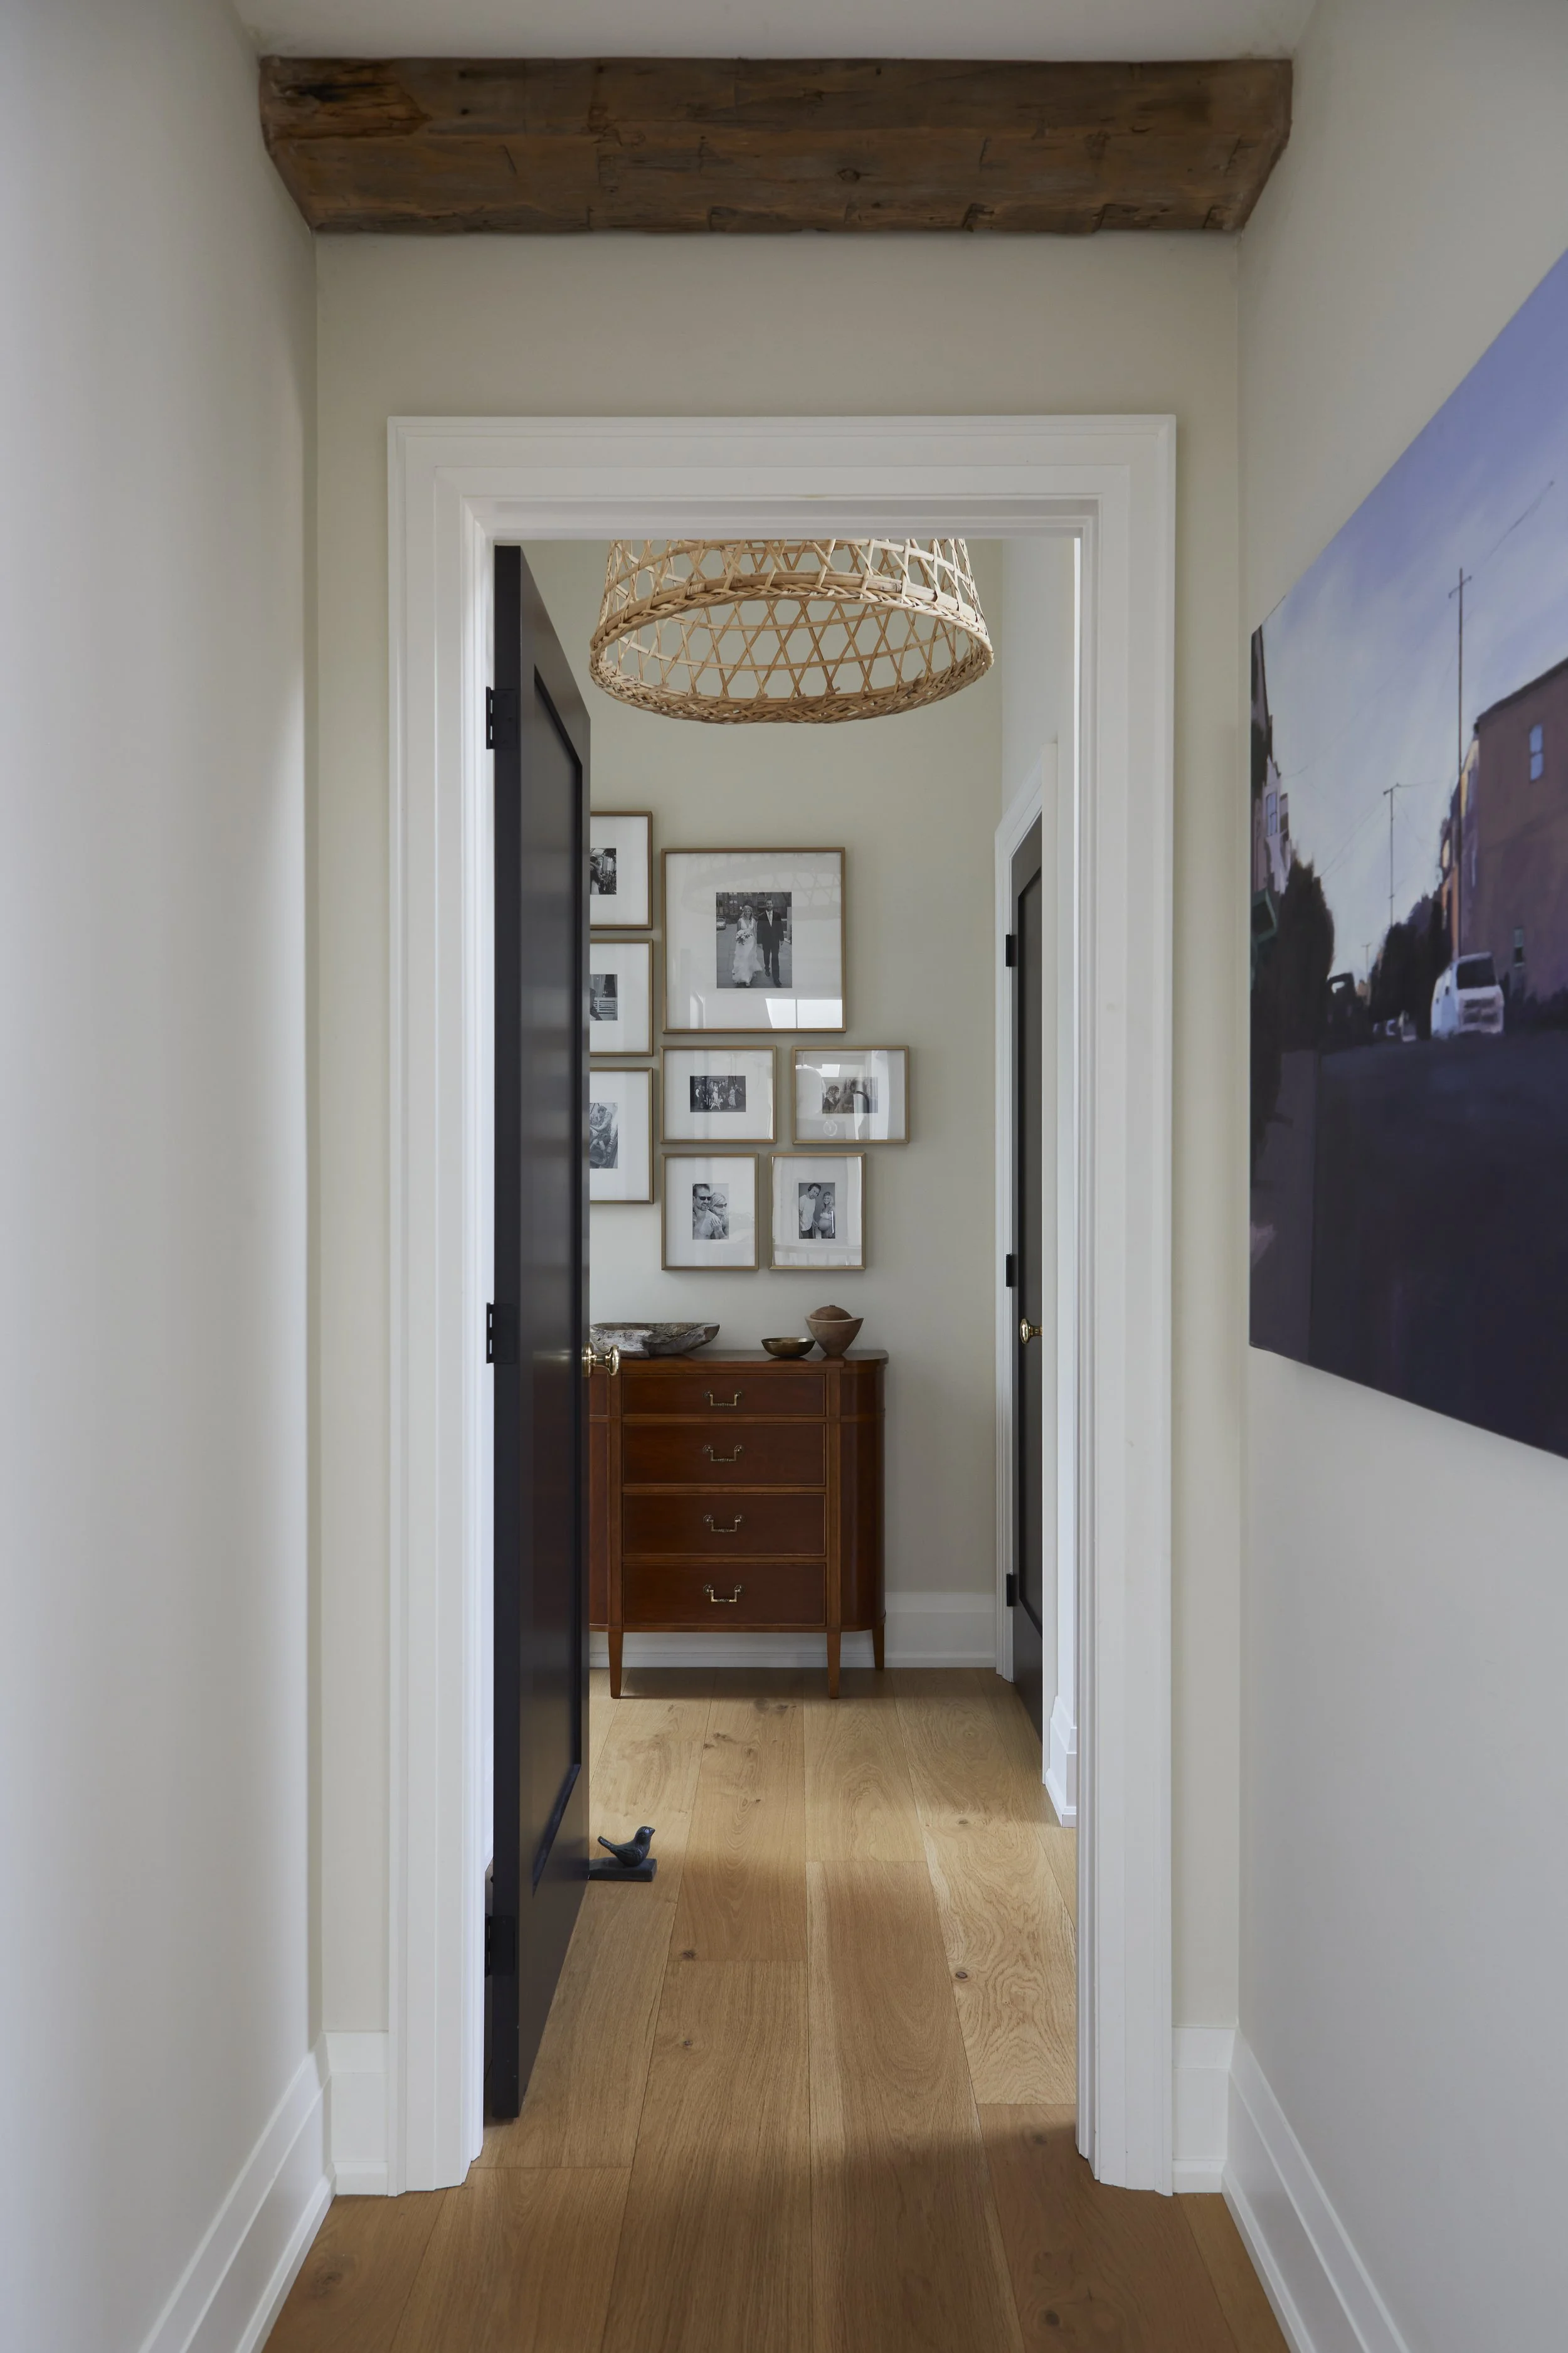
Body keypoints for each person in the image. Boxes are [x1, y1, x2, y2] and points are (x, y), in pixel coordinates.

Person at [731, 901, 764, 987]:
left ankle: (748, 976)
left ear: (751, 912)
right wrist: (740, 938)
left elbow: (754, 931)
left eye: (749, 911)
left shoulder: (753, 921)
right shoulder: (740, 921)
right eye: (746, 911)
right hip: (742, 942)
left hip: (751, 942)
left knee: (749, 958)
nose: (747, 913)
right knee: (743, 959)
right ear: (744, 912)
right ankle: (746, 978)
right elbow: (738, 932)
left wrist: (757, 942)